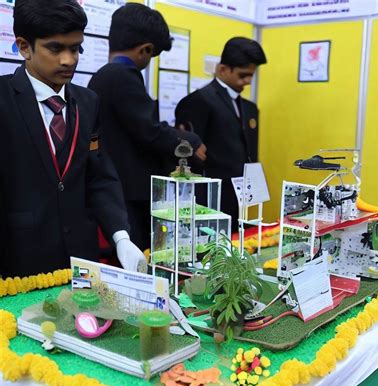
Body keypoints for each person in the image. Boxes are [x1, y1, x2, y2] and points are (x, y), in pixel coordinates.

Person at [0, 0, 145, 278]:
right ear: (24, 47)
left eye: (76, 48)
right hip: (18, 263)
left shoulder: (88, 102)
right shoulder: (3, 100)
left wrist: (120, 236)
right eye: (56, 49)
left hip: (81, 260)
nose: (69, 60)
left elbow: (99, 176)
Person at [89, 3, 206, 251]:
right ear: (146, 50)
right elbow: (150, 131)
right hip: (130, 193)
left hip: (115, 186)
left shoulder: (101, 76)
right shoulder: (124, 76)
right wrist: (190, 141)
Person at [175, 37, 266, 230]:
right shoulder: (197, 102)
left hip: (239, 196)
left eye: (252, 75)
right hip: (208, 199)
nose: (248, 81)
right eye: (243, 75)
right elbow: (188, 158)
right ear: (223, 69)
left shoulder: (249, 108)